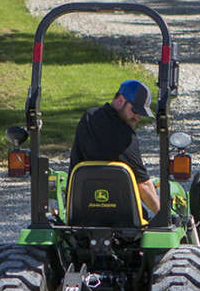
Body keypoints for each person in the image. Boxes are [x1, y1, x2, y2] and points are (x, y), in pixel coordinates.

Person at [69, 79, 162, 216]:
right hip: (121, 219)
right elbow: (143, 185)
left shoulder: (88, 118)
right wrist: (163, 215)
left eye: (141, 114)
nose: (137, 117)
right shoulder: (125, 137)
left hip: (80, 211)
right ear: (120, 100)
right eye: (135, 110)